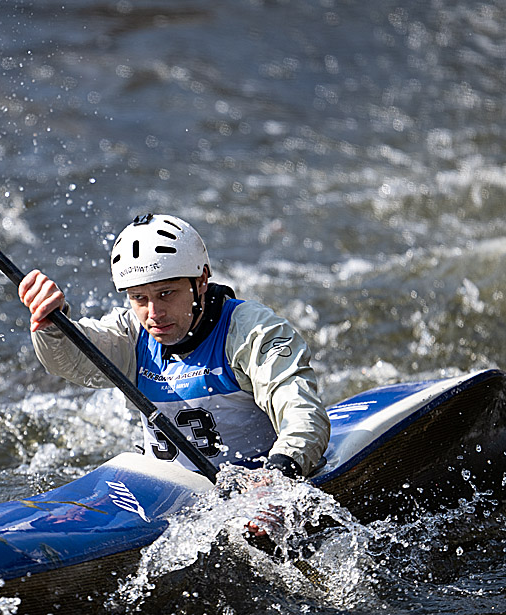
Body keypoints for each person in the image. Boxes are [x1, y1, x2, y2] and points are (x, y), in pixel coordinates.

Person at [18, 213, 331, 538]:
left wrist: (279, 477)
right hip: (164, 493)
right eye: (139, 297)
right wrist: (53, 326)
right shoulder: (131, 334)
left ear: (201, 281)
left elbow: (302, 412)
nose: (153, 314)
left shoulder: (251, 331)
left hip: (255, 488)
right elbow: (72, 362)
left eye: (166, 294)